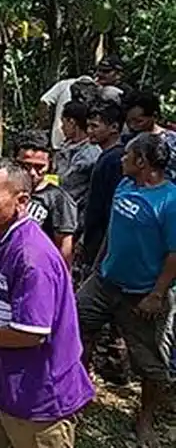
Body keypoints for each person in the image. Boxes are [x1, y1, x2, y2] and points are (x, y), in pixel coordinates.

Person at [0, 158, 94, 448]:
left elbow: (29, 333)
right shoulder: (4, 241)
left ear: (21, 200)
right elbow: (7, 308)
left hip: (38, 396)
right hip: (4, 382)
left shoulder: (31, 258)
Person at [77, 132, 176, 447]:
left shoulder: (170, 201)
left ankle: (145, 419)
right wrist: (96, 264)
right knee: (76, 327)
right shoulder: (124, 185)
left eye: (127, 155)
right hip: (104, 282)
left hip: (142, 293)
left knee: (150, 363)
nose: (121, 159)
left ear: (142, 162)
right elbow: (113, 227)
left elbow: (175, 254)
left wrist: (157, 294)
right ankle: (78, 394)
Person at [0, 130, 80, 316]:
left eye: (40, 167)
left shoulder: (57, 199)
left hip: (27, 272)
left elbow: (64, 245)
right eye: (25, 166)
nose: (32, 173)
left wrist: (62, 283)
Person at [79, 102, 126, 272]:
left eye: (95, 126)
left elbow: (109, 207)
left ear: (114, 127)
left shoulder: (114, 160)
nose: (89, 131)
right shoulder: (105, 157)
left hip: (102, 244)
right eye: (88, 126)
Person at [39, 62, 125, 150]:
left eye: (105, 71)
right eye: (100, 71)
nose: (101, 74)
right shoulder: (68, 85)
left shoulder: (66, 84)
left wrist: (44, 127)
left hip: (70, 140)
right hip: (73, 140)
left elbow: (44, 102)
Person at [54, 101, 101, 215]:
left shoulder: (89, 154)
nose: (62, 127)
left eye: (64, 123)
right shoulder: (66, 146)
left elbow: (67, 183)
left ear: (72, 122)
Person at [121, 89, 176, 181]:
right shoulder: (126, 140)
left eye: (139, 121)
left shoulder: (171, 141)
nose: (133, 126)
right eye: (128, 122)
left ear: (154, 116)